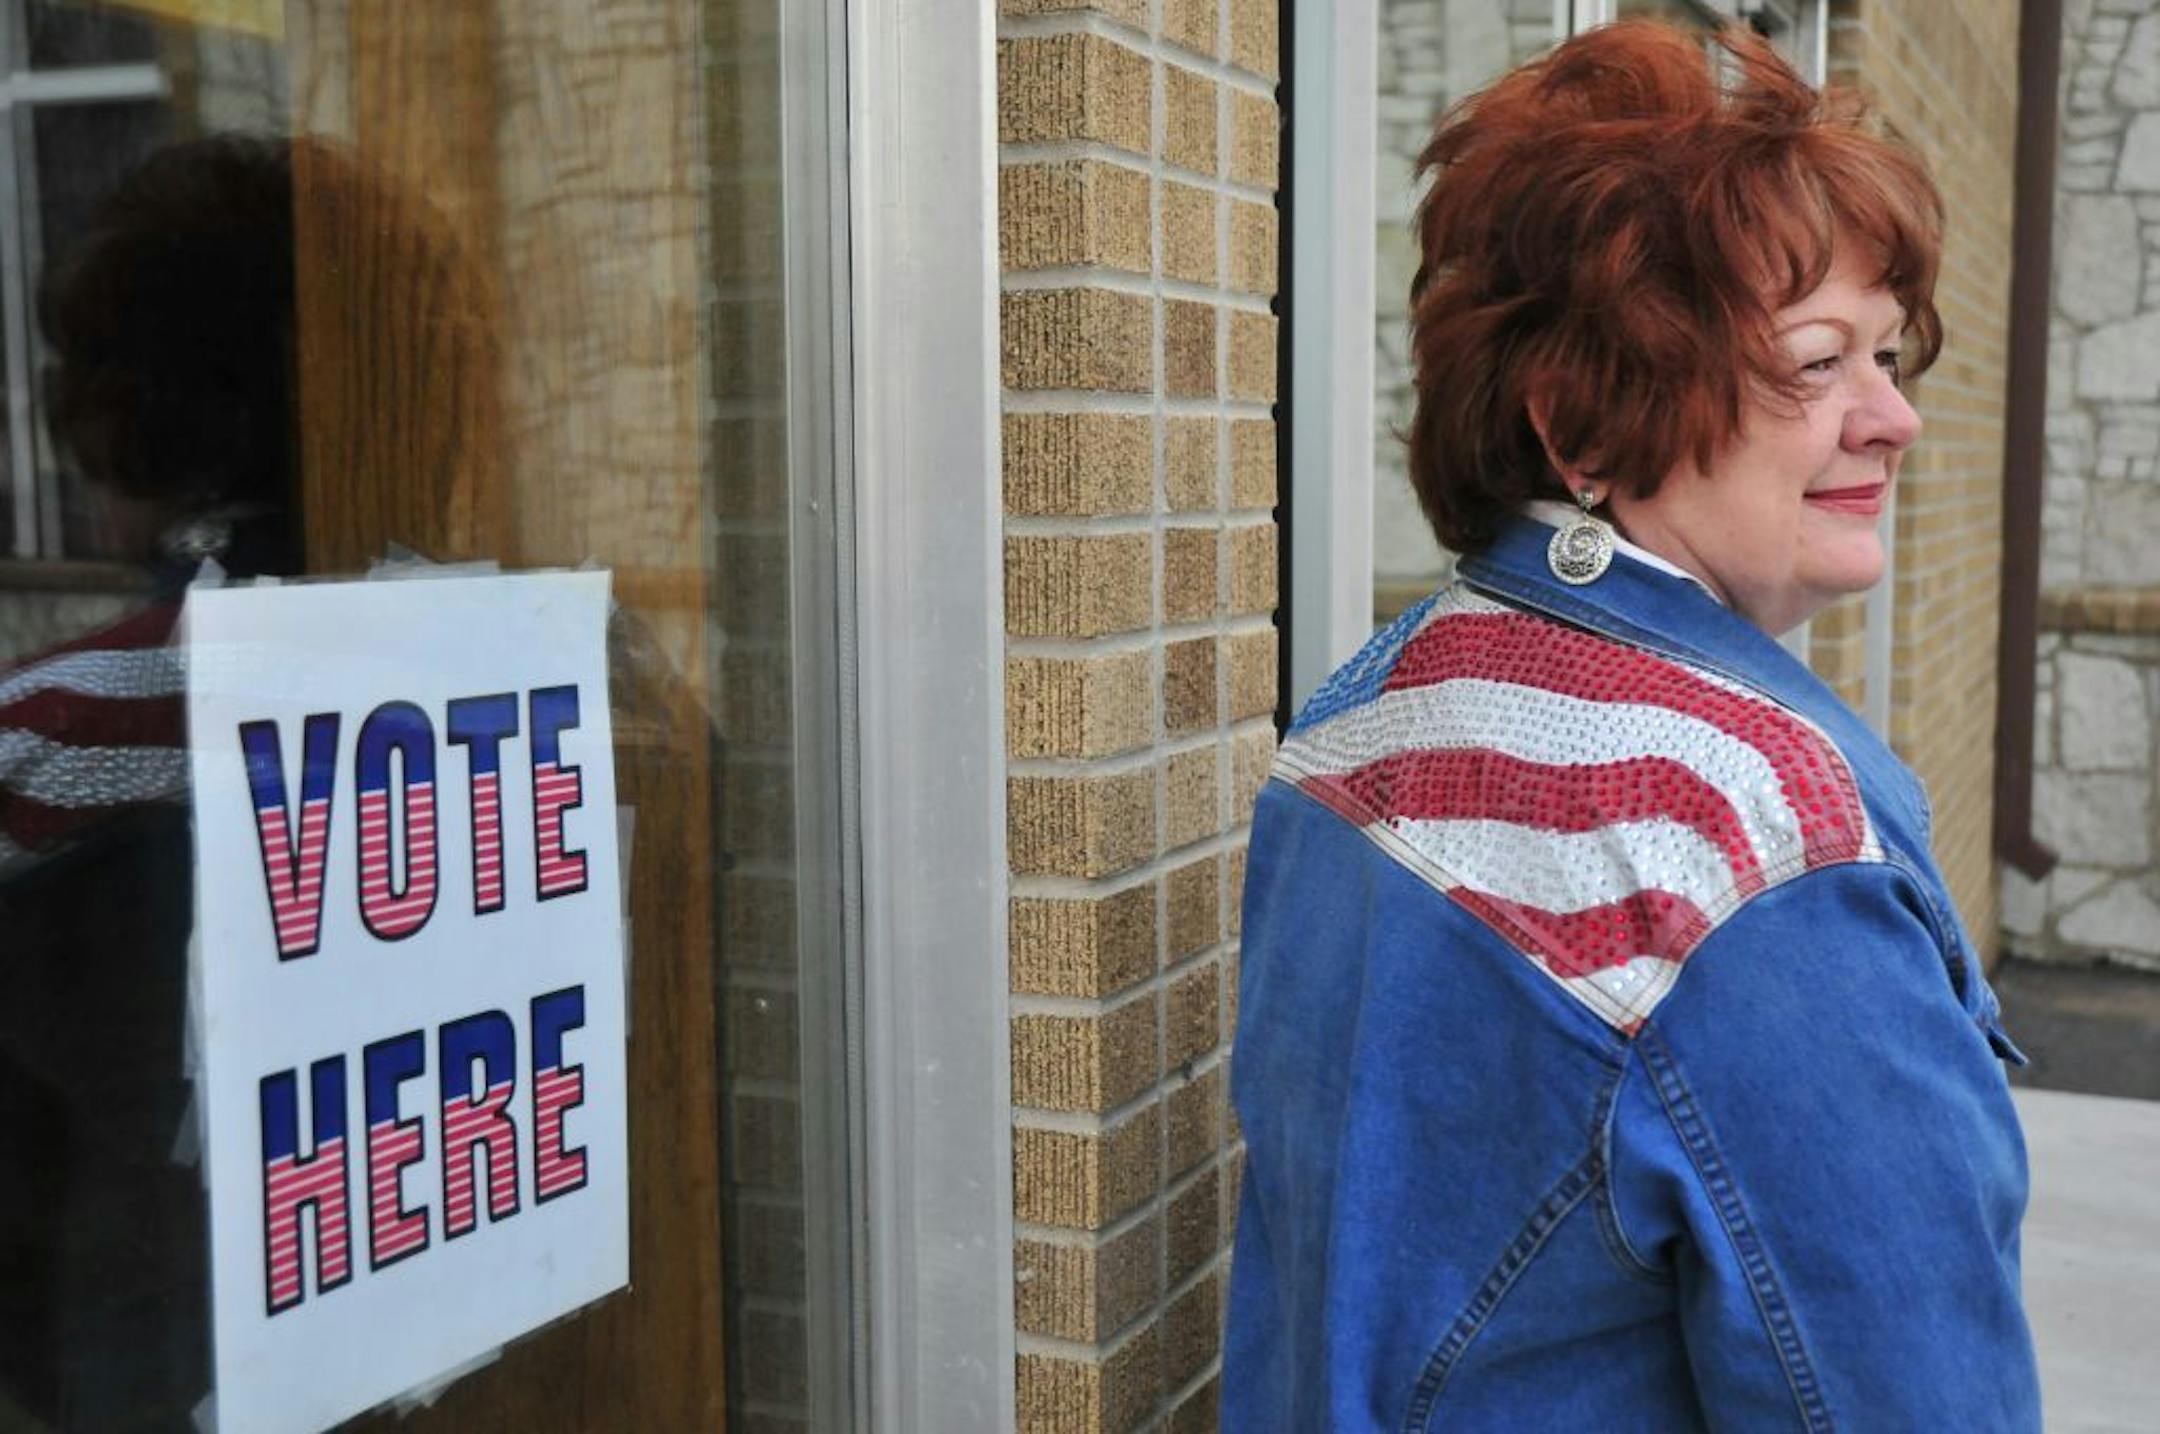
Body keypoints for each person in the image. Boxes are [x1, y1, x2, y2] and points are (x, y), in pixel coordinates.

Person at [1224, 20, 2039, 1432]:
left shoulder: (1357, 720)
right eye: (1815, 362)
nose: (1895, 417)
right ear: (1583, 428)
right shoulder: (1752, 845)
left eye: (1890, 355)